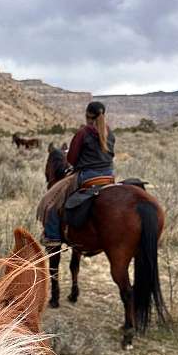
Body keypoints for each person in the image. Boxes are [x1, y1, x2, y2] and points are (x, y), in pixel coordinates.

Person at [42, 101, 115, 246]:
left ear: (87, 115)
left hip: (87, 177)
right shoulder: (109, 132)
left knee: (52, 202)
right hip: (108, 176)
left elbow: (71, 159)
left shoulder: (83, 133)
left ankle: (52, 238)